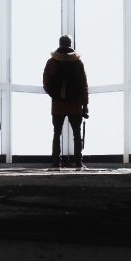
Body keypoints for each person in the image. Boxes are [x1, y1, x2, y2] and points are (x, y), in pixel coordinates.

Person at [43, 34, 89, 170]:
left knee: (57, 133)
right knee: (77, 133)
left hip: (58, 105)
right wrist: (85, 105)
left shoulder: (51, 62)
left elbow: (46, 83)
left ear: (59, 43)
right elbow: (83, 85)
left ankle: (56, 162)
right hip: (75, 104)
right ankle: (78, 163)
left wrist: (55, 95)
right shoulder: (78, 62)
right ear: (70, 44)